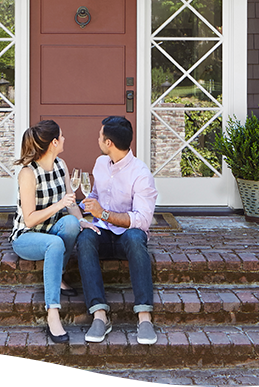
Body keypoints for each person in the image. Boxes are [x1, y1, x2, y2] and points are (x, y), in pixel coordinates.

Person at [77, 116, 158, 345]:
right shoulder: (100, 164)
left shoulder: (141, 174)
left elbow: (142, 220)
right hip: (103, 233)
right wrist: (76, 208)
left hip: (126, 239)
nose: (98, 139)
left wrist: (103, 214)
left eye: (101, 135)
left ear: (109, 142)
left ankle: (144, 318)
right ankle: (100, 314)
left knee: (135, 238)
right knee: (85, 238)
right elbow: (94, 196)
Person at [10, 119, 87, 343]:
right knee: (55, 243)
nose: (65, 139)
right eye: (61, 136)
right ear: (54, 142)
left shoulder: (60, 164)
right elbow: (30, 219)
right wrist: (60, 205)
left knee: (71, 224)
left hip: (52, 229)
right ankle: (53, 312)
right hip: (26, 236)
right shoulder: (28, 173)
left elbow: (71, 202)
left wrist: (82, 222)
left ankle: (58, 275)